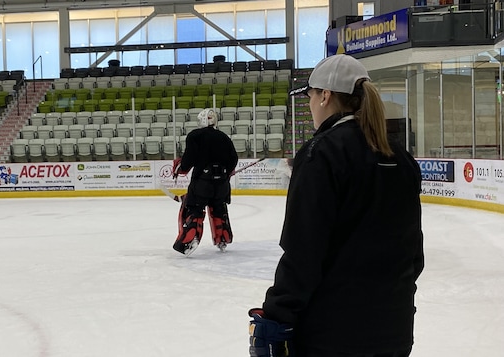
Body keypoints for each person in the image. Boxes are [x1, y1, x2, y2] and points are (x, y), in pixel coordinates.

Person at [248, 54, 424, 357]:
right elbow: (413, 254)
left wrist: (277, 314)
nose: (310, 104)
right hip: (394, 328)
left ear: (325, 96)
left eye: (311, 96)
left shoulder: (322, 152)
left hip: (331, 335)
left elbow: (303, 251)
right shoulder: (399, 156)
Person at [172, 108, 239, 256]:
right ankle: (223, 238)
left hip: (202, 182)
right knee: (219, 209)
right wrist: (227, 171)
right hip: (221, 184)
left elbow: (189, 159)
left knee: (194, 209)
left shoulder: (195, 136)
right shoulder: (224, 137)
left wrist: (180, 168)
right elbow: (233, 159)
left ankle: (189, 240)